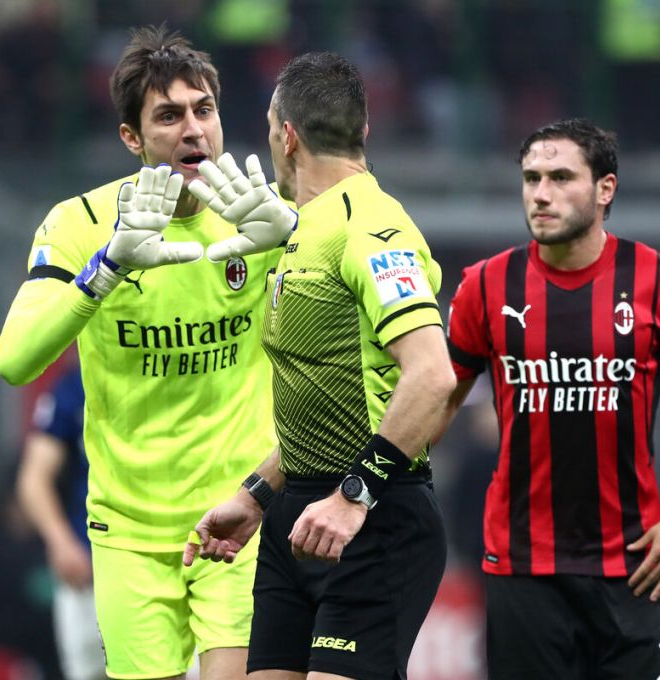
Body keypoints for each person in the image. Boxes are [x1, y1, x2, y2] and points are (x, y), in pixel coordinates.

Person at [0, 24, 291, 680]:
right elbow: (13, 360)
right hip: (127, 530)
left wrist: (295, 240)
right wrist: (102, 273)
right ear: (131, 138)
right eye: (168, 116)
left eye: (204, 110)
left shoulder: (261, 214)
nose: (194, 130)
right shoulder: (80, 224)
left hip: (234, 519)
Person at [184, 52, 456, 680]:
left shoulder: (376, 228)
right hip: (296, 517)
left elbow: (432, 375)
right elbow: (330, 397)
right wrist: (256, 496)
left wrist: (353, 497)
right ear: (363, 132)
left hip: (371, 517)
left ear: (286, 135)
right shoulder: (300, 230)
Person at [440, 118, 660, 679]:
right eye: (531, 178)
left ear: (606, 189)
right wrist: (367, 486)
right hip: (522, 570)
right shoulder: (484, 286)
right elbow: (434, 401)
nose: (541, 194)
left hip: (635, 566)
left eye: (560, 177)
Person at [16, 363, 106, 680]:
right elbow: (33, 477)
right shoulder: (74, 387)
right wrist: (61, 542)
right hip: (88, 568)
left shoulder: (178, 364)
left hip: (171, 558)